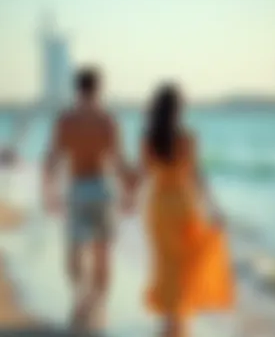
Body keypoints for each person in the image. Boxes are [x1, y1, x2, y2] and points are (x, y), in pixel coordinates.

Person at [133, 84, 234, 337]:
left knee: (166, 268)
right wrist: (215, 208)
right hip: (184, 206)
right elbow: (197, 176)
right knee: (185, 271)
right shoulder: (188, 138)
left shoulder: (148, 138)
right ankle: (177, 329)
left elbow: (142, 175)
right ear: (178, 110)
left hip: (158, 209)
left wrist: (126, 198)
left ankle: (170, 326)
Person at [42, 67, 132, 333]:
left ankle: (80, 296)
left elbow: (52, 158)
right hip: (103, 188)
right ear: (99, 88)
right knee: (102, 253)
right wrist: (128, 193)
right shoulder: (108, 120)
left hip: (78, 188)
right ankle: (97, 303)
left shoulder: (66, 120)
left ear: (77, 88)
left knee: (74, 250)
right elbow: (118, 162)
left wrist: (49, 192)